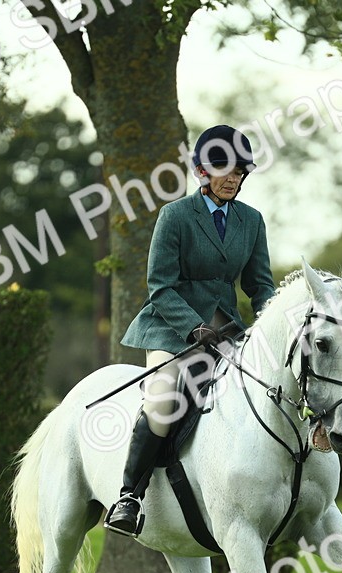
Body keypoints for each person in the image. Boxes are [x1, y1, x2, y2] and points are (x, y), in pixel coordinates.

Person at [104, 124, 276, 537]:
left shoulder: (251, 221)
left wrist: (273, 325)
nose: (233, 178)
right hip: (171, 328)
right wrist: (192, 326)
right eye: (225, 170)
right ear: (202, 171)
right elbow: (160, 286)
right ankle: (130, 496)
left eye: (240, 172)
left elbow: (260, 286)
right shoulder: (176, 216)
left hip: (226, 331)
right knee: (164, 399)